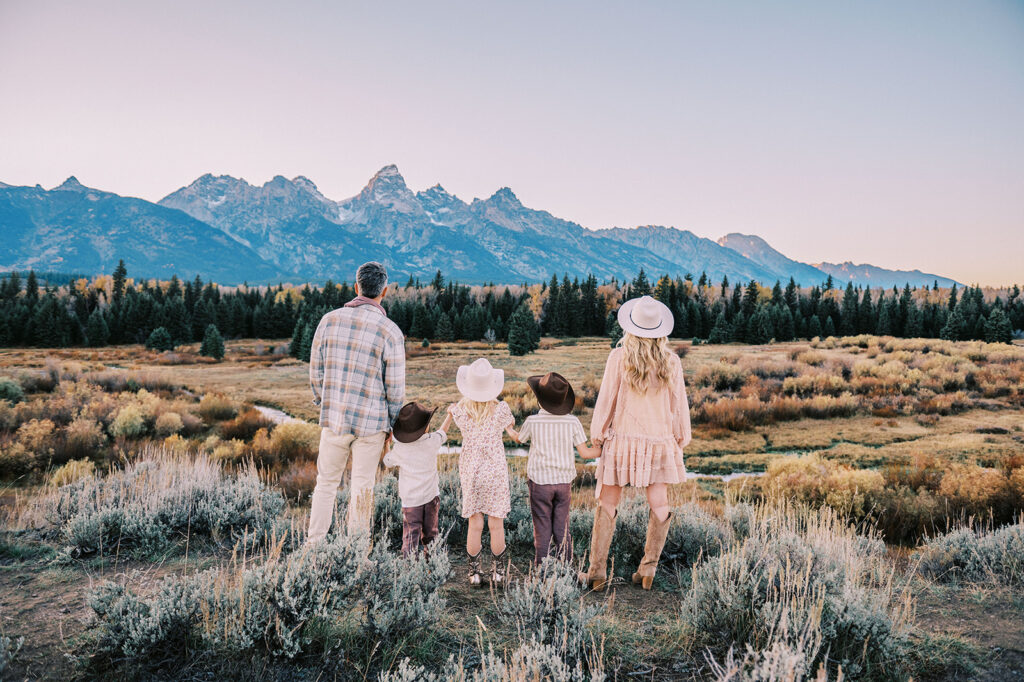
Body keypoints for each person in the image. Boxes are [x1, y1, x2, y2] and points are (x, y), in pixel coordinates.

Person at [582, 295, 691, 590]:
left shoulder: (619, 358)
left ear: (631, 327)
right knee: (660, 503)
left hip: (622, 441)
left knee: (607, 501)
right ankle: (648, 570)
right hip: (659, 442)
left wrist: (598, 433)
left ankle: (597, 573)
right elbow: (678, 404)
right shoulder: (672, 361)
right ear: (660, 330)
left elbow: (607, 400)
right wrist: (681, 437)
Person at [307, 261, 405, 543]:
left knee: (325, 484)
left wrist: (325, 403)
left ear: (356, 287)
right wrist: (393, 428)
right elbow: (395, 390)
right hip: (372, 425)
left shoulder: (329, 320)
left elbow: (316, 372)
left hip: (334, 420)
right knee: (362, 488)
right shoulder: (390, 331)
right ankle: (356, 553)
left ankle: (314, 546)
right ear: (384, 291)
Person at [447, 358, 518, 586]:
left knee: (475, 524)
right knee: (496, 524)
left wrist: (451, 412)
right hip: (495, 472)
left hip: (472, 472)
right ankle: (498, 573)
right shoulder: (501, 409)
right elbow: (515, 435)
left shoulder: (461, 410)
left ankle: (474, 574)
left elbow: (451, 417)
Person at [517, 372, 600, 565]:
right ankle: (567, 567)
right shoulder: (573, 421)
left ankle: (542, 568)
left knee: (542, 527)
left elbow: (519, 439)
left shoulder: (532, 421)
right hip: (564, 484)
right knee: (562, 527)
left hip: (539, 484)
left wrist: (509, 429)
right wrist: (603, 449)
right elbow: (586, 453)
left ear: (540, 400)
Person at [383, 401, 447, 556]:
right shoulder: (431, 441)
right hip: (431, 496)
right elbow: (443, 433)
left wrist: (387, 444)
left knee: (410, 535)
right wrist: (450, 415)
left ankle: (409, 566)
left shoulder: (401, 449)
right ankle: (432, 563)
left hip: (410, 500)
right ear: (425, 427)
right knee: (431, 533)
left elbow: (387, 462)